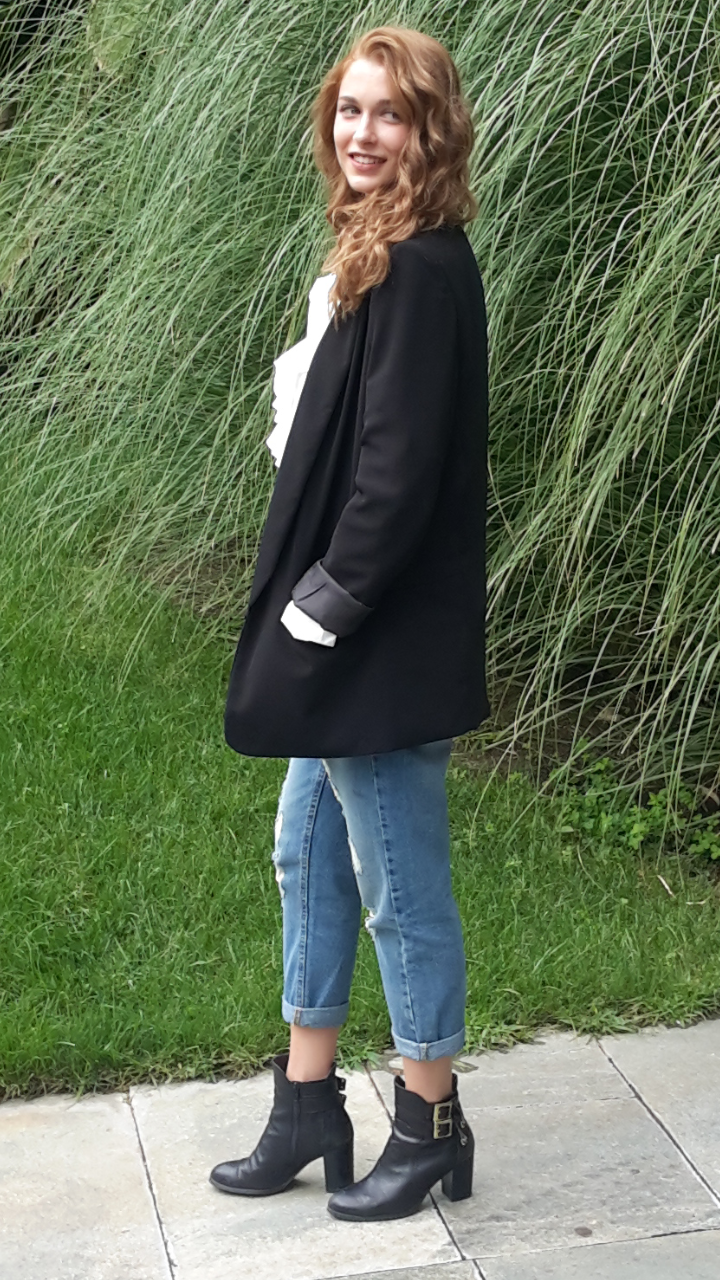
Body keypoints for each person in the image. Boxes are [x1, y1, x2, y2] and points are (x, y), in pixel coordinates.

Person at [210, 24, 490, 1223]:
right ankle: (306, 1101)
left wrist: (318, 609)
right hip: (349, 621)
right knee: (308, 852)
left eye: (389, 113)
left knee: (399, 886)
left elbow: (398, 476)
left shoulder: (422, 267)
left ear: (431, 130)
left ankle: (430, 1120)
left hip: (376, 635)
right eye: (349, 109)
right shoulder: (380, 246)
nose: (361, 132)